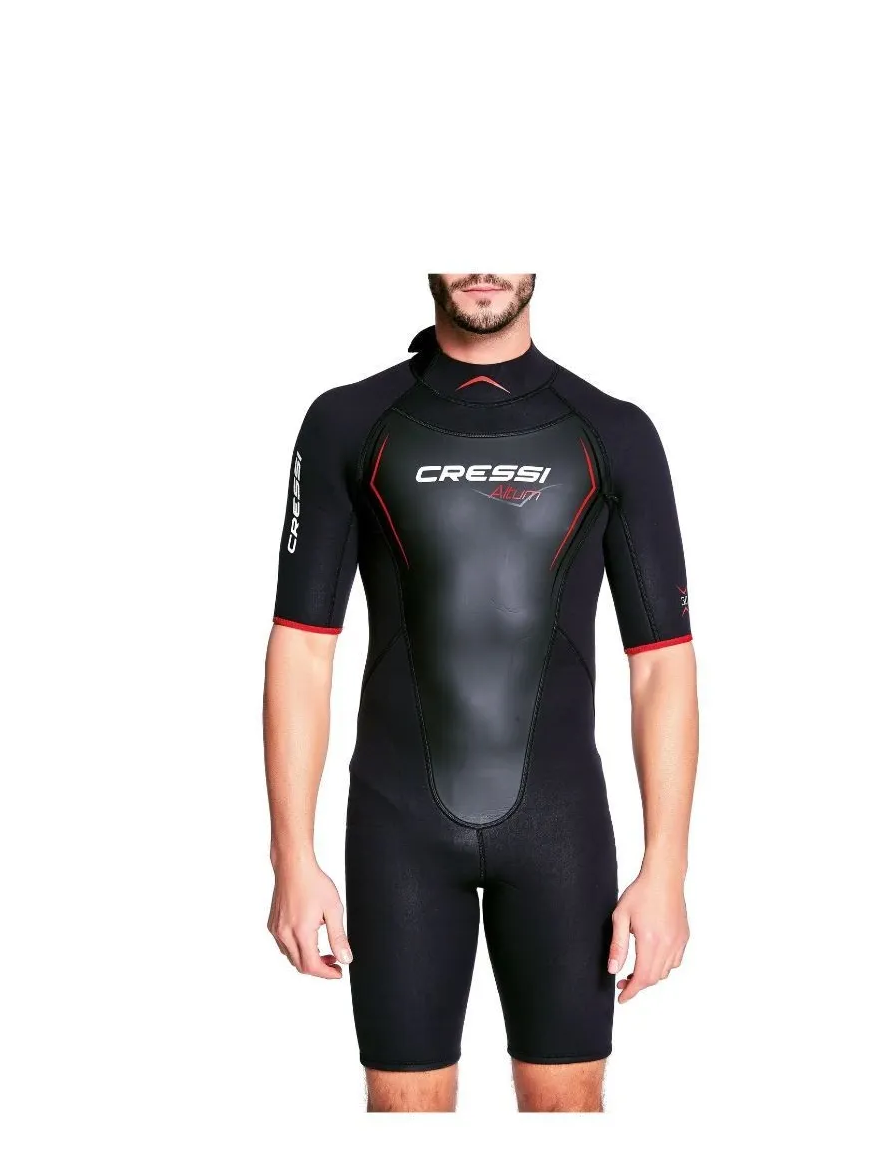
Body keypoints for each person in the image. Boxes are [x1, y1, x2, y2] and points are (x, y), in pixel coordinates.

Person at [264, 273, 698, 1112]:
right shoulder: (348, 423)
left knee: (568, 1113)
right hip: (397, 832)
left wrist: (666, 869)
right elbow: (302, 648)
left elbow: (661, 663)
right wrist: (291, 856)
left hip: (560, 832)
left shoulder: (613, 432)